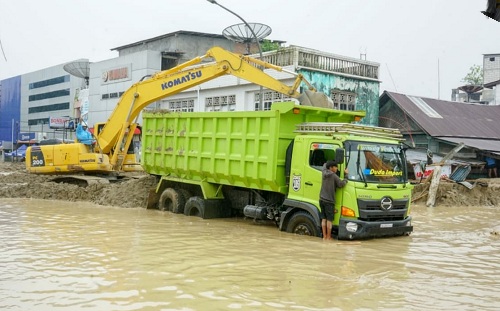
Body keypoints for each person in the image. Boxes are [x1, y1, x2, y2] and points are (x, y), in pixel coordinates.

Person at [319, 160, 348, 240]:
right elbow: (341, 184)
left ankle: (324, 236)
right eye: (335, 167)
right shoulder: (333, 176)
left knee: (323, 219)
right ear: (331, 168)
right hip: (329, 201)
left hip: (321, 199)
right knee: (329, 220)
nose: (337, 169)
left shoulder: (323, 172)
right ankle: (328, 236)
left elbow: (325, 164)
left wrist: (329, 162)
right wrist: (346, 176)